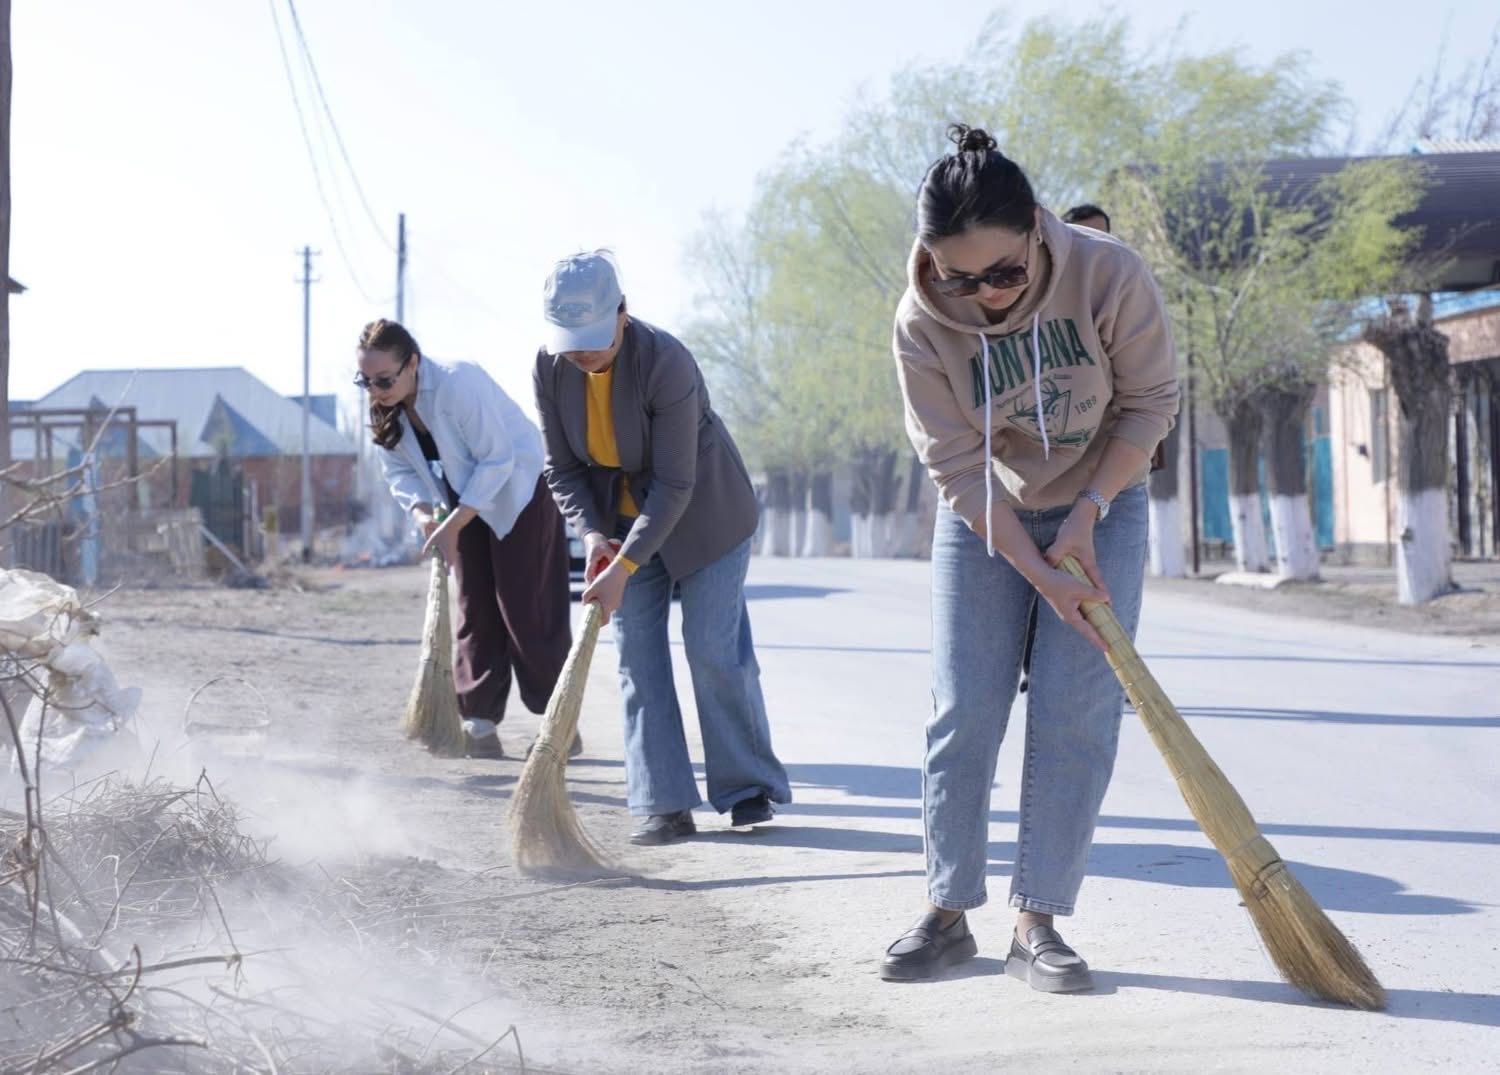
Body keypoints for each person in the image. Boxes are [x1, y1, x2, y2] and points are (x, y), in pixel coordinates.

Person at [880, 127, 1178, 991]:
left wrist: (1086, 515)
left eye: (1003, 274)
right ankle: (945, 913)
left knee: (1076, 709)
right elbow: (954, 465)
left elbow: (1152, 401)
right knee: (964, 706)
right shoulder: (918, 325)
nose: (984, 298)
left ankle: (1036, 919)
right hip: (987, 515)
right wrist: (1034, 565)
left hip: (1105, 502)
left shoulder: (1107, 273)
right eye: (957, 278)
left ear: (1038, 236)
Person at [532, 251, 791, 846]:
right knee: (637, 661)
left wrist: (624, 565)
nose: (582, 354)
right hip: (621, 521)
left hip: (706, 519)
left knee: (711, 650)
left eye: (592, 339)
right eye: (570, 343)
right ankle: (664, 802)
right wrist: (596, 537)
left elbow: (676, 483)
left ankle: (747, 787)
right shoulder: (549, 368)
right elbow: (563, 469)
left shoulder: (666, 361)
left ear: (623, 313)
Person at [358, 319, 574, 760]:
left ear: (412, 363)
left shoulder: (458, 383)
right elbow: (397, 471)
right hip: (463, 494)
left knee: (524, 608)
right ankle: (478, 721)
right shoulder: (387, 405)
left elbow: (498, 459)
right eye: (365, 380)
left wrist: (454, 523)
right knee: (474, 604)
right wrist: (423, 515)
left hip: (520, 489)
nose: (374, 390)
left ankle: (560, 722)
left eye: (383, 379)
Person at [1019, 202, 1114, 697]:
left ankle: (1095, 679)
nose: (1090, 247)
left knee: (1098, 606)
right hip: (1022, 487)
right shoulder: (1031, 300)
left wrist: (1097, 499)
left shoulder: (1119, 285)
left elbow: (1148, 399)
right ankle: (1035, 660)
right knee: (1040, 589)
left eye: (1101, 237)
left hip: (1104, 479)